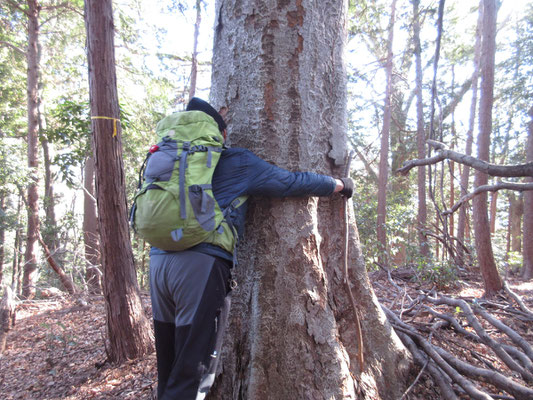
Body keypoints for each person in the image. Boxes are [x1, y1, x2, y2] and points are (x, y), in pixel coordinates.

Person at [149, 97, 353, 400]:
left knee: (169, 365)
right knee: (192, 371)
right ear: (218, 133)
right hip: (199, 268)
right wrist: (338, 184)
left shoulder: (167, 156)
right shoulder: (236, 161)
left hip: (159, 264)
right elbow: (289, 182)